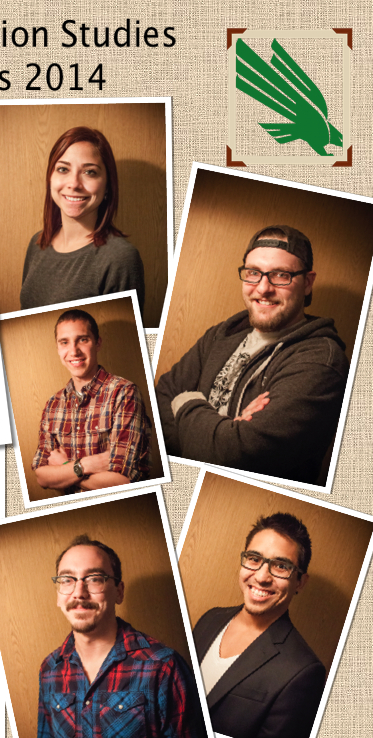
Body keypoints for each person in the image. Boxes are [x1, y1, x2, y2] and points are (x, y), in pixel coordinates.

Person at [156, 225, 349, 484]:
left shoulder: (321, 361)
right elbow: (160, 398)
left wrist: (185, 402)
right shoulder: (222, 334)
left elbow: (234, 456)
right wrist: (220, 433)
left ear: (307, 283)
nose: (263, 288)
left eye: (281, 275)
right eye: (253, 273)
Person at [37, 535, 208, 738]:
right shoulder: (49, 670)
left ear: (118, 591)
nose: (79, 592)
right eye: (67, 580)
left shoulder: (163, 667)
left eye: (95, 579)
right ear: (58, 593)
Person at [193, 513, 326, 738]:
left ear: (300, 582)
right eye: (254, 559)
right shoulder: (209, 619)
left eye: (281, 566)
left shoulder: (305, 672)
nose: (262, 577)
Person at [20, 126, 145, 317]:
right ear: (50, 178)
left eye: (90, 172)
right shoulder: (37, 244)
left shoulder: (120, 259)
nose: (74, 184)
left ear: (107, 185)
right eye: (63, 169)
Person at [32, 309, 151, 494]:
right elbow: (42, 477)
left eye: (83, 340)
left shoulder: (124, 393)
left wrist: (64, 468)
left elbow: (124, 482)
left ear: (97, 343)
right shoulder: (52, 405)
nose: (73, 351)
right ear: (57, 348)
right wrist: (85, 465)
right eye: (64, 342)